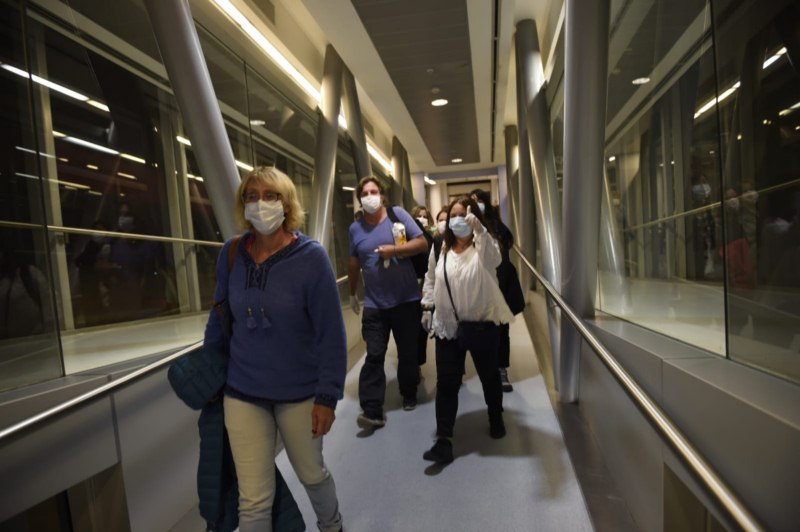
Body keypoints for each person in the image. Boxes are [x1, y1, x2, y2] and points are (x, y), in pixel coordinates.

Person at [204, 166, 346, 532]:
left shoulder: (311, 258)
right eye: (251, 196)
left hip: (300, 392)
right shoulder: (232, 253)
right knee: (253, 499)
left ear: (286, 204)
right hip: (243, 390)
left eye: (270, 196)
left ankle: (332, 525)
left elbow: (331, 333)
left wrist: (327, 396)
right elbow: (219, 316)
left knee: (312, 474)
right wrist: (209, 372)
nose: (260, 203)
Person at [420, 197, 514, 464]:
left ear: (474, 218)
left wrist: (480, 230)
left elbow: (495, 260)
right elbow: (430, 278)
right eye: (454, 215)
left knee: (489, 377)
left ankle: (495, 416)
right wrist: (427, 306)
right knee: (446, 383)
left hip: (481, 324)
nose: (458, 219)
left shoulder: (484, 245)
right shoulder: (440, 246)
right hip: (448, 326)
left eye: (464, 214)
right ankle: (444, 440)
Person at [348, 176, 428, 424]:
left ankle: (409, 392)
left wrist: (394, 250)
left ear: (381, 195)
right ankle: (372, 409)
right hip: (374, 304)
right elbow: (353, 263)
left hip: (405, 300)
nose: (369, 196)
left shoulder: (398, 215)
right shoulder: (355, 229)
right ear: (360, 199)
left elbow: (422, 243)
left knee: (408, 352)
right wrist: (352, 293)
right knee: (374, 354)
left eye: (373, 191)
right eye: (364, 193)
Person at [470, 188, 520, 392]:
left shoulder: (496, 225)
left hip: (501, 282)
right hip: (478, 285)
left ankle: (501, 369)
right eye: (473, 200)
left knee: (501, 327)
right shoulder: (467, 225)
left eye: (479, 200)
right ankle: (487, 367)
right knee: (482, 329)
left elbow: (508, 243)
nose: (477, 203)